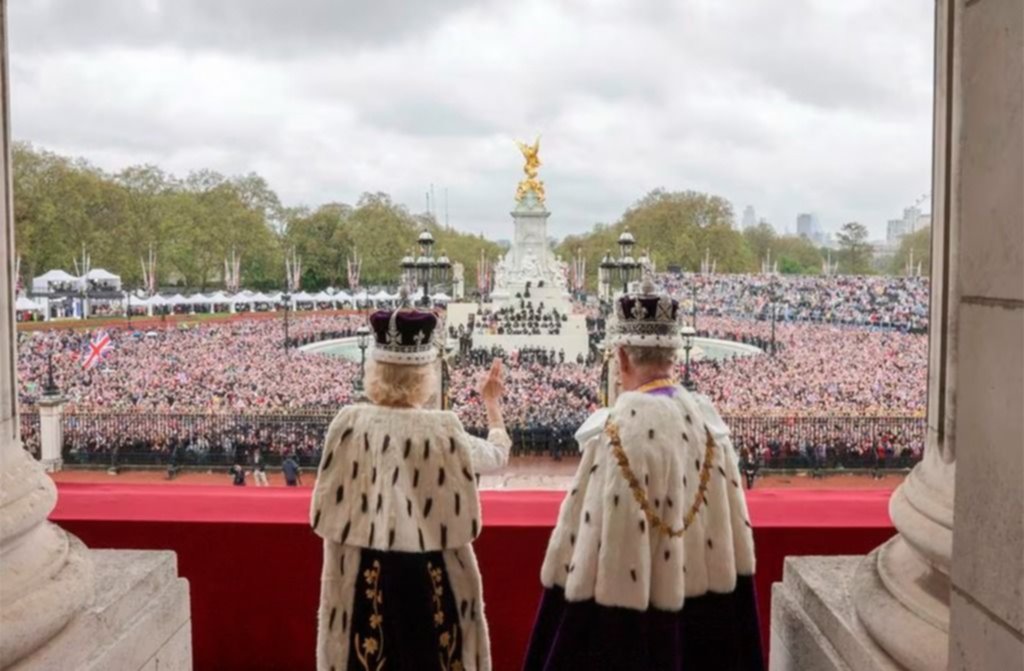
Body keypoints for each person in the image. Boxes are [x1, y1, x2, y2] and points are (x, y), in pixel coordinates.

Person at [524, 281, 763, 670]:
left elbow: (593, 556)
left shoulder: (616, 435)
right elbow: (736, 548)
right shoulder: (710, 427)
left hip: (632, 630)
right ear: (673, 355)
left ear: (621, 358)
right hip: (705, 624)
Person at [309, 304, 510, 671]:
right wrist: (492, 405)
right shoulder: (443, 429)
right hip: (430, 573)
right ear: (425, 375)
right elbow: (497, 456)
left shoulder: (347, 423)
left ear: (375, 370)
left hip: (361, 575)